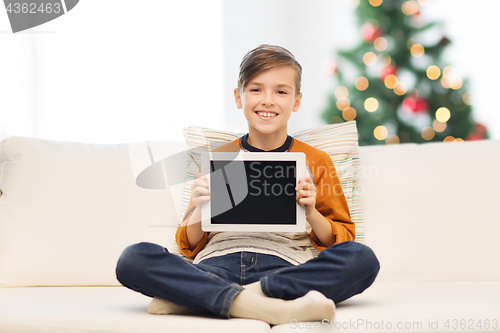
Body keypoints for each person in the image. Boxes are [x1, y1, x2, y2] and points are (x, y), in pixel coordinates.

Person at [116, 44, 380, 326]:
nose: (268, 100)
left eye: (281, 91)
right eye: (256, 89)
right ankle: (267, 307)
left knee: (362, 260)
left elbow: (341, 240)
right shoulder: (219, 158)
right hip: (216, 265)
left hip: (283, 270)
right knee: (133, 258)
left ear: (296, 101)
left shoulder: (316, 160)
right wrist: (198, 209)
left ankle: (210, 298)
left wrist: (312, 211)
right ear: (238, 97)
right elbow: (190, 245)